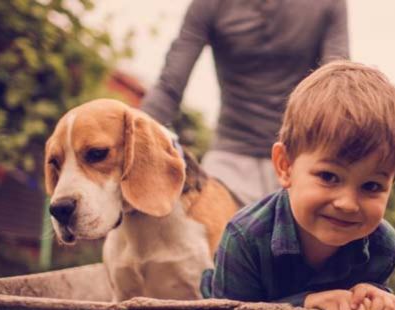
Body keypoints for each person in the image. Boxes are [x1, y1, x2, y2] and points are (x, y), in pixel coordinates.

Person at [202, 60, 395, 310]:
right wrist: (305, 305)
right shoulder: (245, 238)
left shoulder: (383, 247)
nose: (347, 204)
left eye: (371, 186)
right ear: (285, 166)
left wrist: (376, 296)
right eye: (328, 177)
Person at [140, 0, 350, 205]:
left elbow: (335, 87)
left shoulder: (328, 4)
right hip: (229, 165)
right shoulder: (209, 5)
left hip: (299, 161)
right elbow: (169, 87)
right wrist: (135, 141)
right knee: (218, 234)